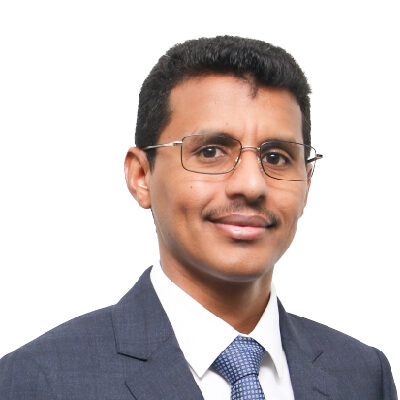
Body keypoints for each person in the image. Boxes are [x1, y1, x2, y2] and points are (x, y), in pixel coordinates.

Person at [0, 36, 396, 400]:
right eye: (210, 152)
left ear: (307, 182)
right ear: (141, 176)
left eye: (276, 157)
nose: (251, 185)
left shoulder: (362, 375)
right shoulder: (37, 381)